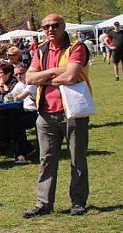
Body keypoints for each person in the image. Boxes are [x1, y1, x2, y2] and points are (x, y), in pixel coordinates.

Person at [23, 13, 91, 218]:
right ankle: (44, 203)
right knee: (46, 160)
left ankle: (78, 202)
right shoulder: (41, 50)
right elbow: (29, 77)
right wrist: (54, 71)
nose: (50, 29)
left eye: (55, 25)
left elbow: (71, 75)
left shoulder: (77, 47)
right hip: (45, 113)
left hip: (72, 111)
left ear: (63, 26)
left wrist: (43, 78)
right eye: (46, 27)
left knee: (77, 158)